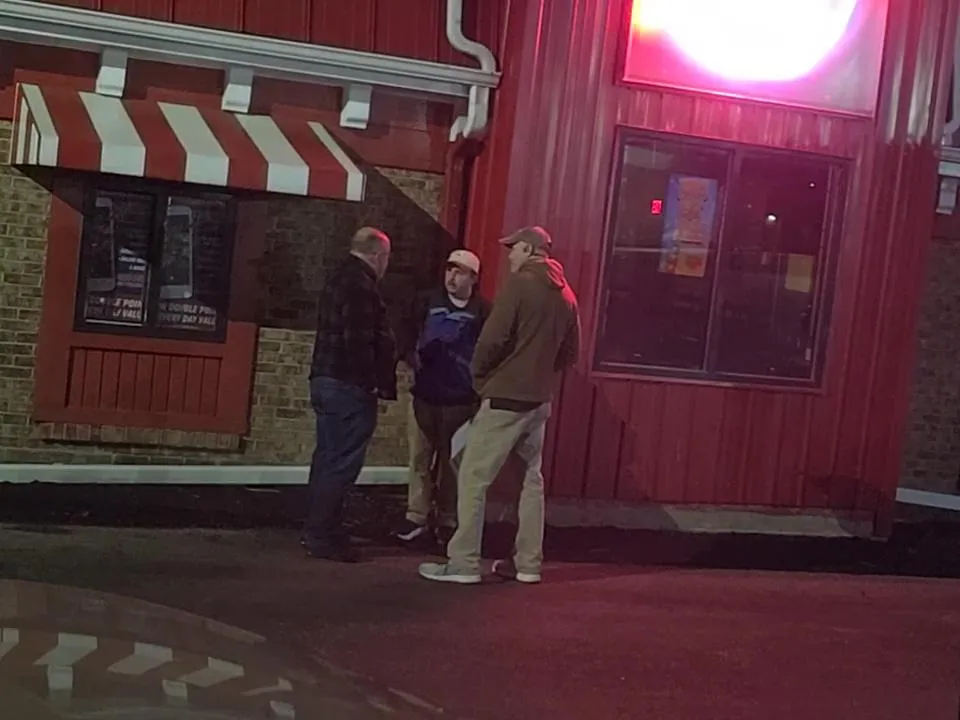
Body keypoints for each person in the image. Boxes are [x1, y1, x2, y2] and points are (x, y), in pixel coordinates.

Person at [418, 226, 580, 585]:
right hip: (539, 400)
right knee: (530, 481)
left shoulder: (520, 286)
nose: (509, 257)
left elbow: (491, 340)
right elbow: (571, 353)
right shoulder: (566, 294)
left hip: (506, 397)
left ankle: (462, 563)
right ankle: (528, 563)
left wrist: (480, 379)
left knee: (471, 475)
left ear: (530, 250)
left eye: (514, 249)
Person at [302, 227, 397, 563]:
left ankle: (320, 527)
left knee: (327, 457)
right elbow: (358, 340)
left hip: (325, 379)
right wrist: (371, 382)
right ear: (378, 255)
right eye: (386, 258)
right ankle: (322, 534)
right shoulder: (361, 286)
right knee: (342, 462)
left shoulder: (336, 279)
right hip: (348, 385)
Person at [395, 249, 490, 546]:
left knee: (452, 465)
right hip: (425, 395)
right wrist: (408, 357)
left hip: (461, 401)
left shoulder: (483, 311)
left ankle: (447, 519)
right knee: (419, 458)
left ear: (473, 278)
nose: (452, 276)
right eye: (449, 269)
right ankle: (416, 516)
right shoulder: (426, 301)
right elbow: (404, 332)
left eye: (460, 271)